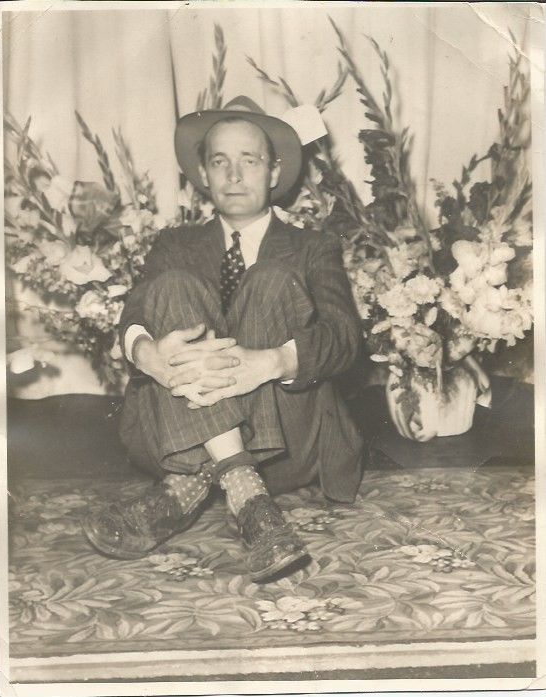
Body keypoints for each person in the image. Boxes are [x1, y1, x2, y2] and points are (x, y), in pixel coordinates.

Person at [82, 96, 364, 582]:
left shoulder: (313, 247)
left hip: (284, 442)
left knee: (270, 280)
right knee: (172, 287)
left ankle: (183, 490)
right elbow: (132, 319)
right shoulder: (173, 245)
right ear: (203, 175)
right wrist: (149, 355)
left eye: (249, 161)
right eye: (220, 162)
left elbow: (343, 338)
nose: (234, 175)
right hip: (175, 438)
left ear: (274, 172)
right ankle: (245, 491)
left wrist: (272, 362)